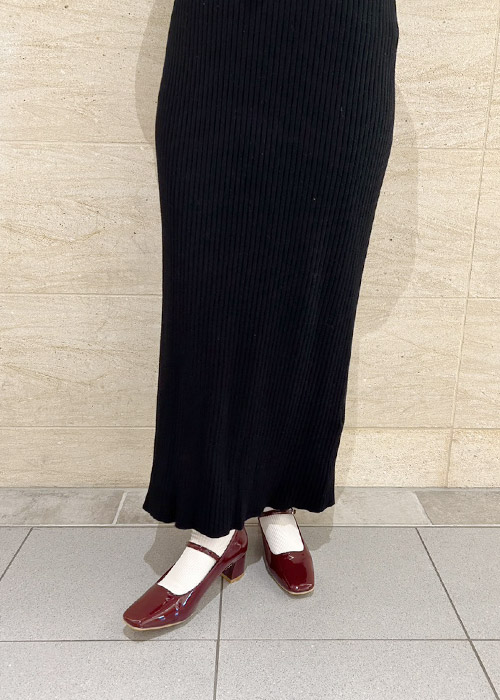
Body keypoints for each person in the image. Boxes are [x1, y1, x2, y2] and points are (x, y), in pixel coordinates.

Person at [123, 0, 399, 630]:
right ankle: (213, 527)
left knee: (314, 293)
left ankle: (281, 498)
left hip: (340, 53)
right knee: (208, 297)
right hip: (219, 48)